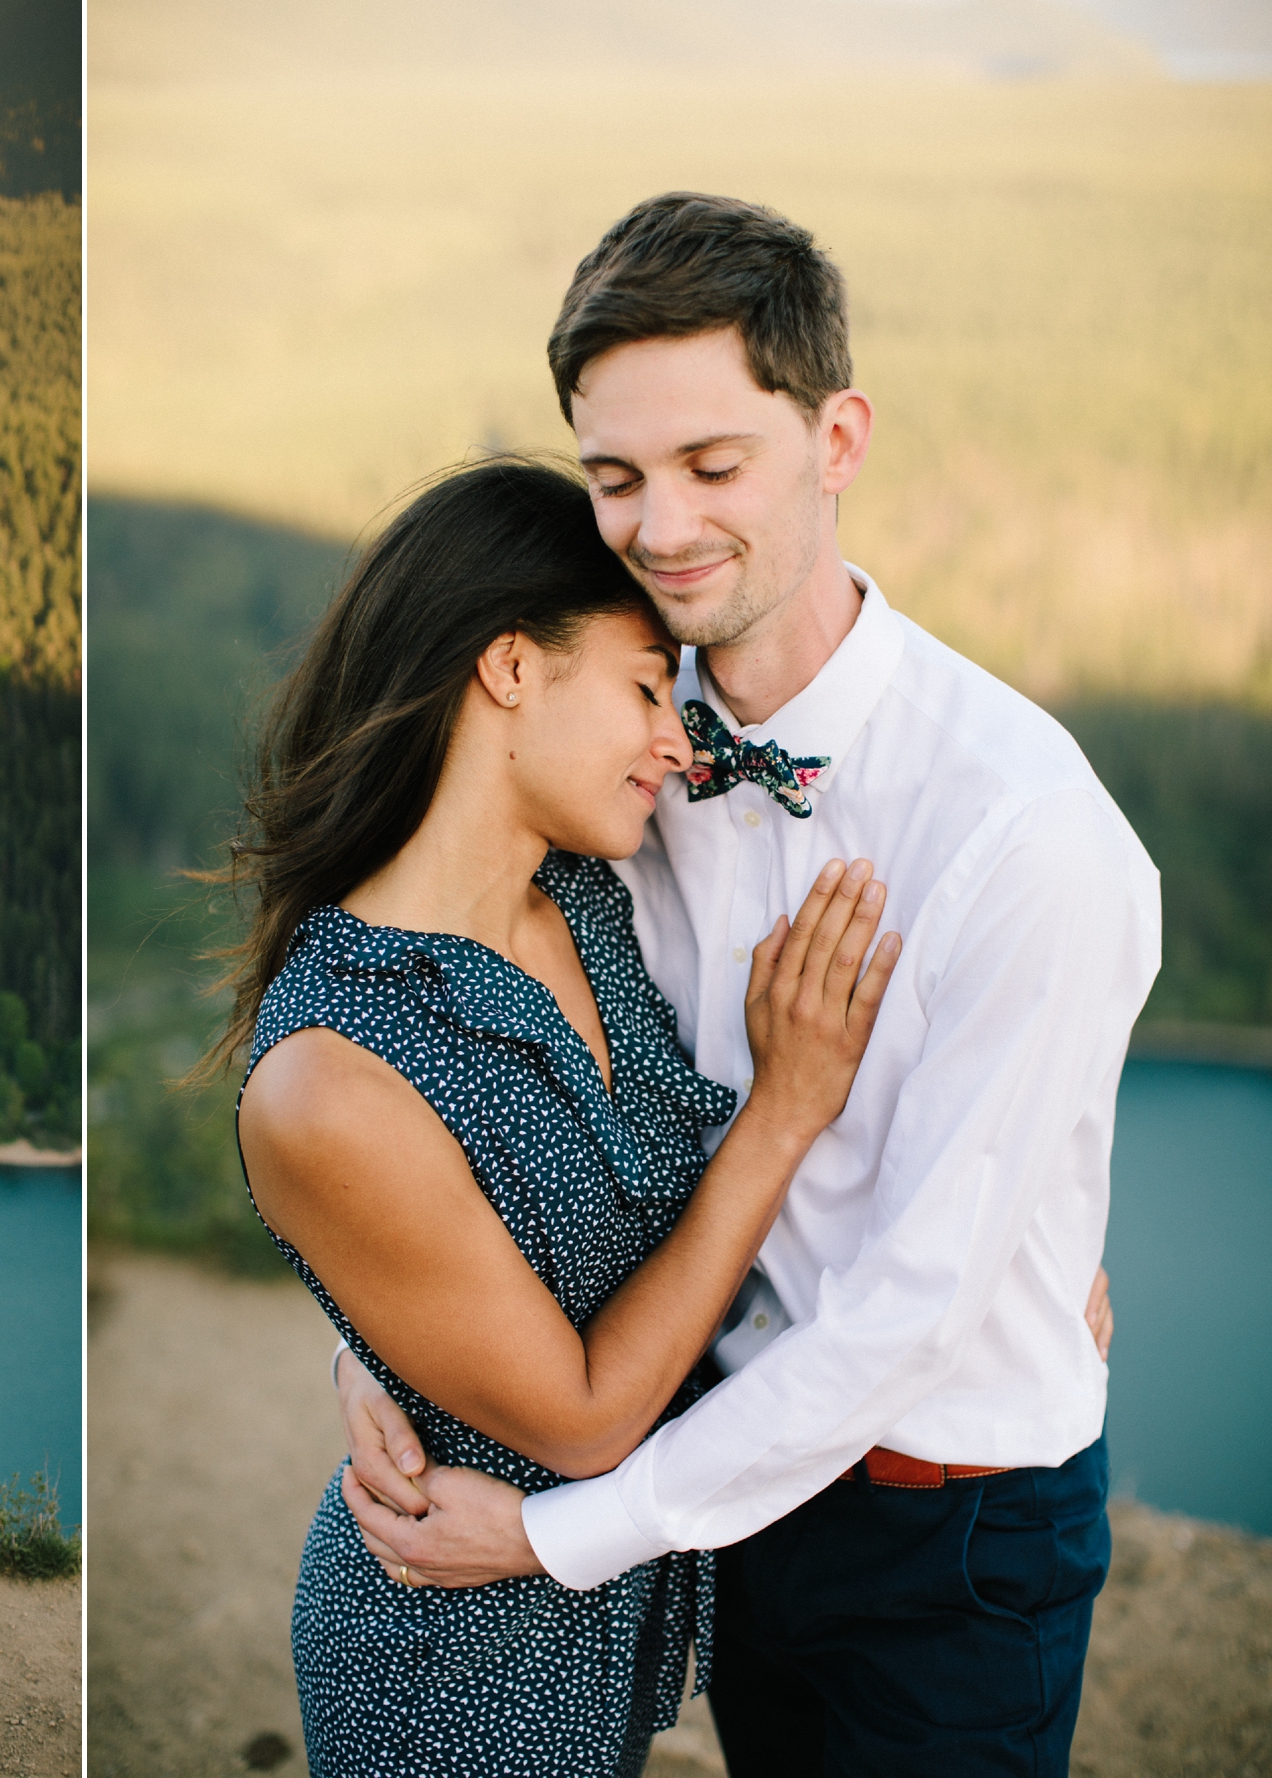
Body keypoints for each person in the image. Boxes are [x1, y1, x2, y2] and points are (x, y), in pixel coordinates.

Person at [330, 193, 1158, 1776]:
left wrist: (568, 1531)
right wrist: (376, 1320)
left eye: (716, 465)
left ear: (838, 437)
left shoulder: (1029, 835)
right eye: (617, 476)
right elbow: (453, 1055)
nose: (660, 525)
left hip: (949, 1534)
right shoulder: (619, 751)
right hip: (730, 1492)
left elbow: (920, 1307)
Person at [227, 454, 902, 1777]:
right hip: (456, 1649)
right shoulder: (331, 1070)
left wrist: (1014, 1236)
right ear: (512, 668)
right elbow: (586, 1416)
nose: (676, 733)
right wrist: (783, 1114)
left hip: (595, 1604)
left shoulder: (590, 902)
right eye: (649, 684)